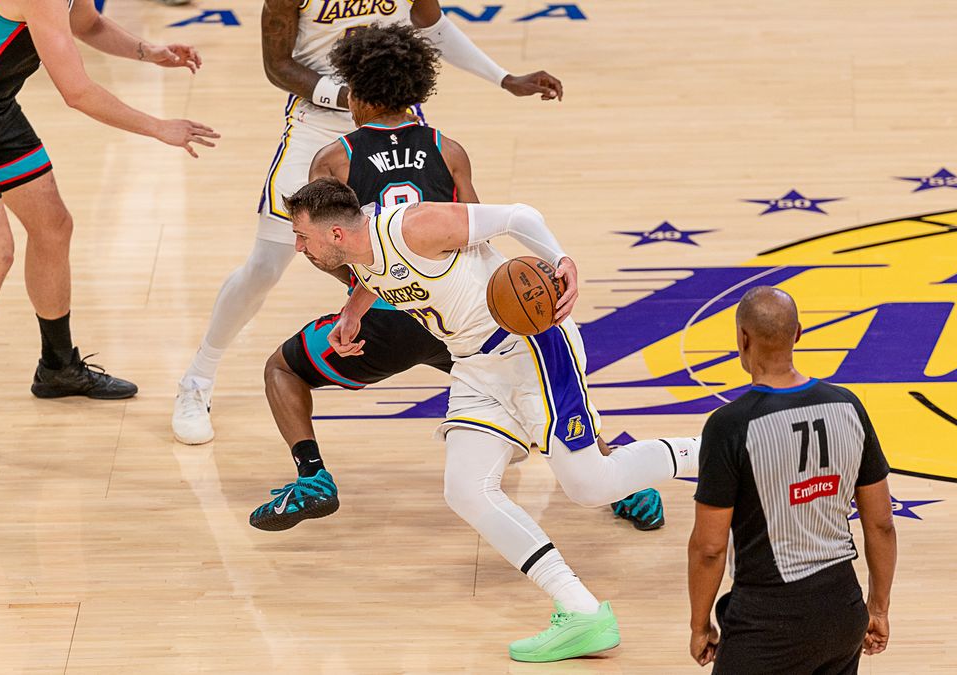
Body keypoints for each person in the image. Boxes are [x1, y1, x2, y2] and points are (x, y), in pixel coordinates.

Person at [249, 24, 665, 534]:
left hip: (388, 316)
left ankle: (312, 476)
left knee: (282, 370)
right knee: (541, 380)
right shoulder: (448, 149)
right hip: (464, 315)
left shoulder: (334, 158)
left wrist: (360, 297)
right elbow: (472, 236)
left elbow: (334, 252)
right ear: (415, 88)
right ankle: (621, 475)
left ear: (354, 93)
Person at [282, 177, 701, 662]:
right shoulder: (359, 251)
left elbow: (519, 216)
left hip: (530, 348)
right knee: (465, 488)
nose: (298, 246)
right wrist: (352, 312)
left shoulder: (415, 227)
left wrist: (563, 261)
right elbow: (378, 278)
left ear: (335, 235)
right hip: (476, 368)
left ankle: (725, 446)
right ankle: (581, 610)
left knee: (591, 486)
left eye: (303, 236)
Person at [171, 0, 566, 445]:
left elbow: (429, 22)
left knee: (447, 250)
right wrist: (354, 96)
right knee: (266, 264)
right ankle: (197, 380)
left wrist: (503, 77)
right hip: (320, 122)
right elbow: (279, 65)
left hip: (392, 112)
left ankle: (492, 398)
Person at [0, 0, 219, 463]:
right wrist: (158, 127)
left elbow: (86, 22)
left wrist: (148, 52)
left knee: (53, 227)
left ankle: (57, 366)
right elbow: (78, 92)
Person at [687, 287, 897, 673]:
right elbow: (881, 524)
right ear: (798, 333)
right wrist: (877, 608)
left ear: (742, 338)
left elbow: (710, 548)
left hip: (766, 620)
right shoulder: (848, 406)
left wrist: (700, 624)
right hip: (842, 609)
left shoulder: (730, 426)